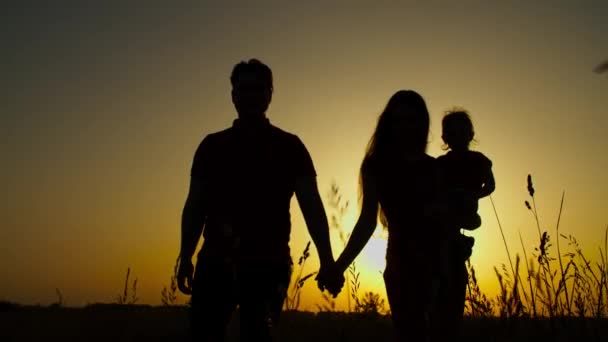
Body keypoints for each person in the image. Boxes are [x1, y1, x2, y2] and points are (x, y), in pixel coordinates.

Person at [176, 58, 340, 342]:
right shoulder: (212, 146)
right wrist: (185, 255)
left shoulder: (290, 146)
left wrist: (327, 259)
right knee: (204, 335)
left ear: (270, 94)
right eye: (243, 90)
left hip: (268, 264)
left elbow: (312, 206)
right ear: (233, 96)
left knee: (257, 335)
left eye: (258, 89)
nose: (251, 95)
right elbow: (195, 205)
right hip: (216, 260)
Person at [320, 90, 441, 341]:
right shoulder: (376, 165)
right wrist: (338, 267)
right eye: (398, 121)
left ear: (422, 123)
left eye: (411, 120)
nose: (405, 127)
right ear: (389, 124)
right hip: (401, 264)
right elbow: (367, 221)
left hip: (442, 263)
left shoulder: (436, 168)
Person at [433, 109, 495, 337]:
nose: (457, 137)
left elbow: (490, 185)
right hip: (445, 219)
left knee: (453, 275)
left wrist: (473, 195)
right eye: (452, 133)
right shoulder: (440, 164)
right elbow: (436, 190)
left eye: (462, 132)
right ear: (445, 138)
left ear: (470, 135)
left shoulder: (479, 161)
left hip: (463, 214)